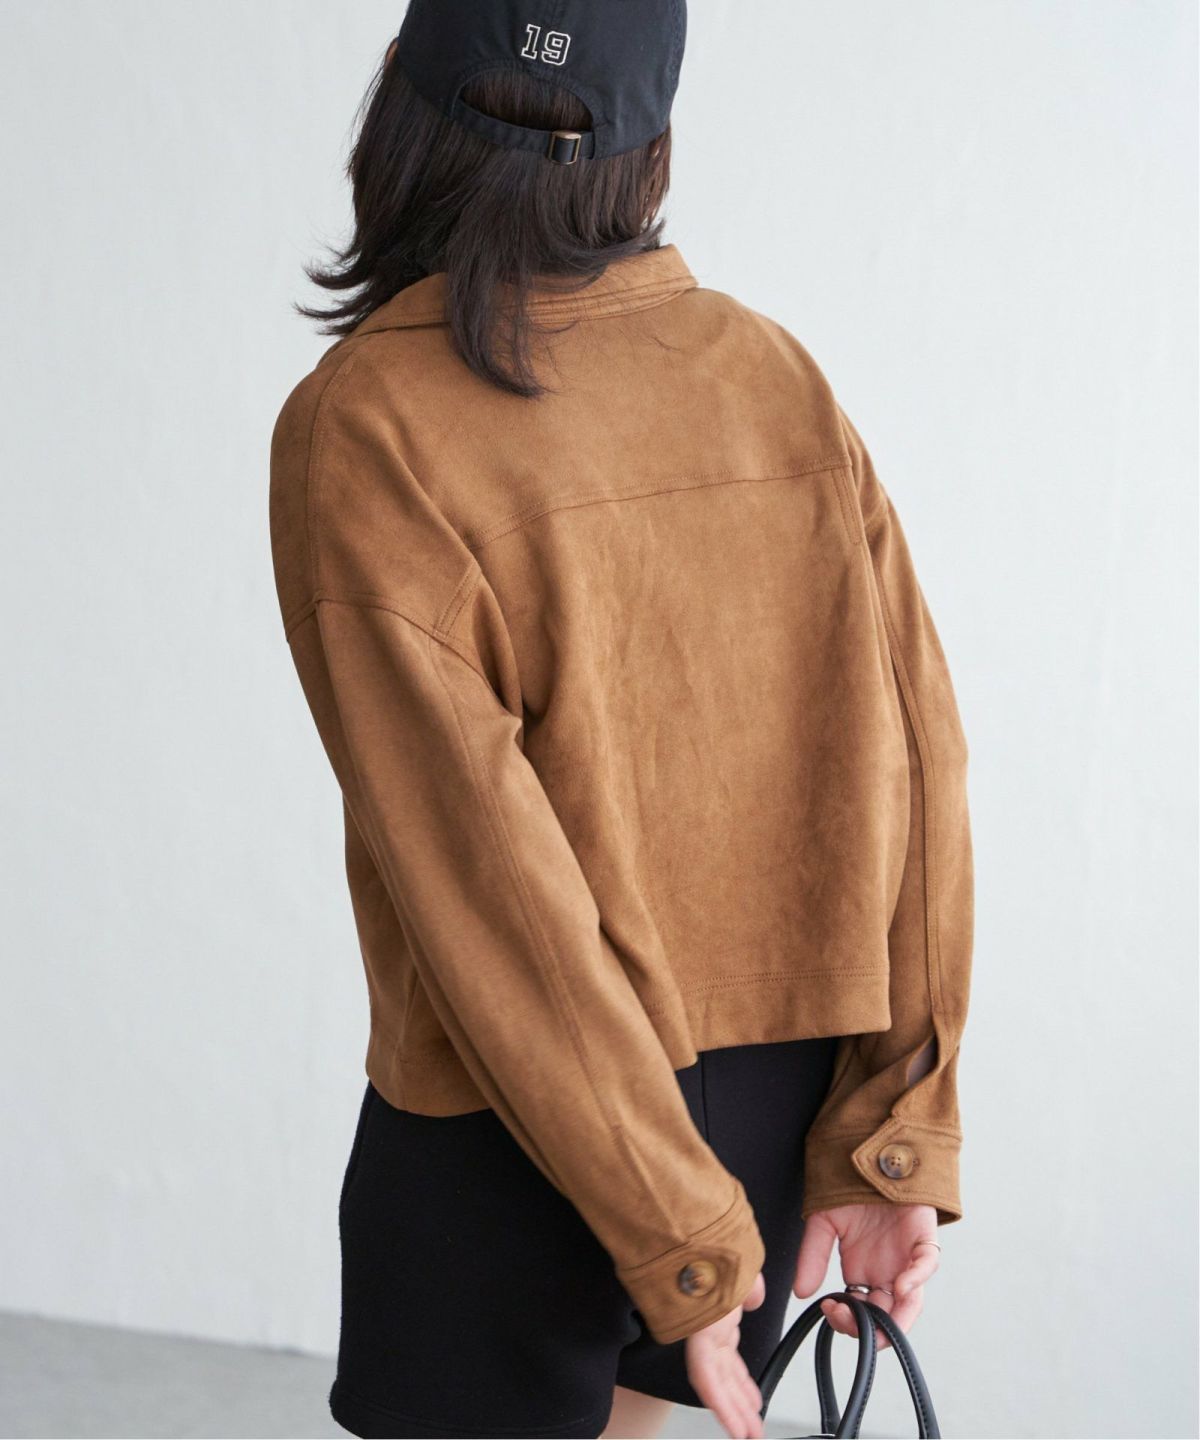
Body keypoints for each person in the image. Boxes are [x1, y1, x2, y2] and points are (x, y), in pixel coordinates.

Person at [268, 3, 975, 1437]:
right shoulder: (769, 376)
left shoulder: (367, 420)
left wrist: (669, 1225)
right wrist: (886, 1130)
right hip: (765, 1106)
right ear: (649, 147)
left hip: (516, 1125)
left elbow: (485, 883)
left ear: (396, 111)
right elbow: (918, 765)